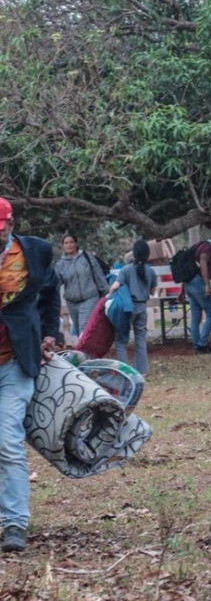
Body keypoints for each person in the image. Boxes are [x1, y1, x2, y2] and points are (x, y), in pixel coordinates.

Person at [0, 197, 61, 553]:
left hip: (14, 362)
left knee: (7, 441)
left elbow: (51, 289)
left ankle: (14, 524)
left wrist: (49, 329)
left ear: (11, 223)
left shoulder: (35, 252)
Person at [107, 241, 158, 374]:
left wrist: (108, 296)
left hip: (127, 308)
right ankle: (142, 370)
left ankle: (125, 371)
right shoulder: (151, 272)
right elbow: (153, 291)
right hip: (142, 308)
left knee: (121, 340)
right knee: (140, 339)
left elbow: (115, 286)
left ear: (134, 254)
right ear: (147, 255)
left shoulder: (126, 269)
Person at [54, 232, 109, 337]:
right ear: (63, 246)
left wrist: (106, 292)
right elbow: (56, 283)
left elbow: (98, 274)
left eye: (71, 242)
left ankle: (85, 353)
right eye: (66, 243)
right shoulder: (60, 264)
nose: (69, 245)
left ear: (76, 244)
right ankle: (87, 352)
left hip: (90, 298)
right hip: (72, 302)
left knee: (84, 327)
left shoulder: (86, 257)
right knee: (80, 330)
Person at [184, 231, 211, 354]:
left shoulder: (198, 246)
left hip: (189, 284)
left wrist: (182, 290)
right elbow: (204, 266)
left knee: (195, 316)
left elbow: (207, 272)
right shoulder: (207, 248)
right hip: (199, 283)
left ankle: (197, 345)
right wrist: (207, 286)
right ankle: (202, 344)